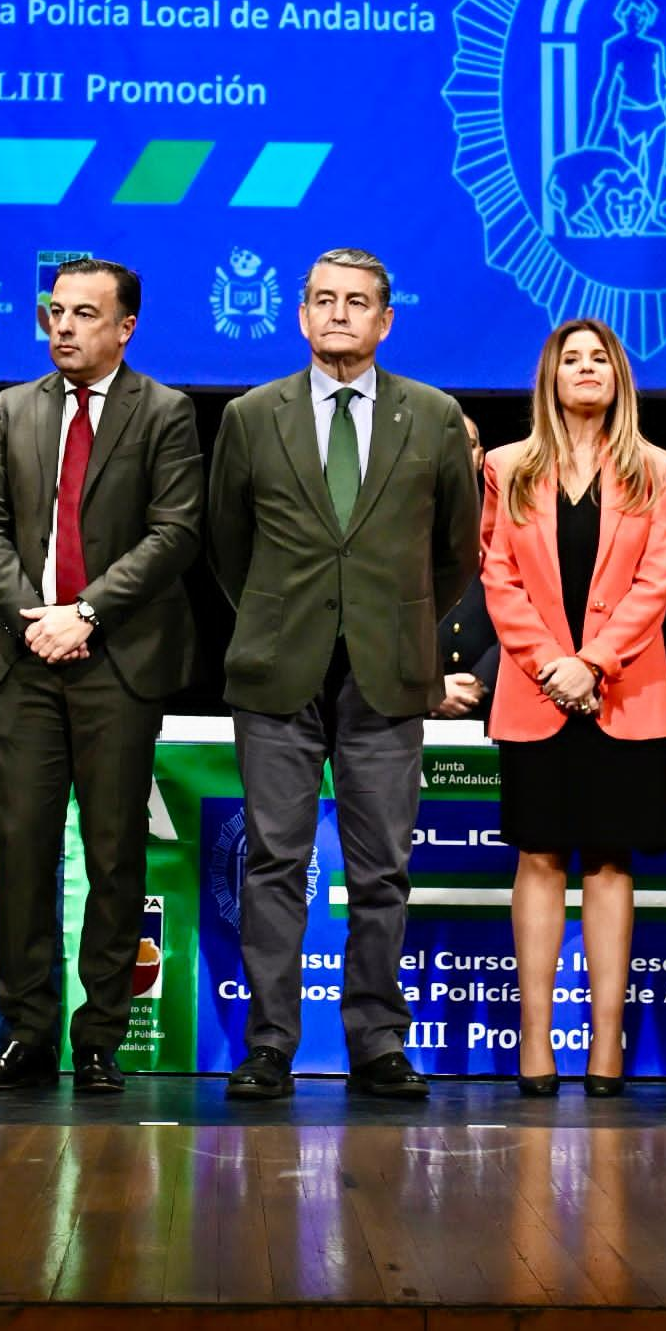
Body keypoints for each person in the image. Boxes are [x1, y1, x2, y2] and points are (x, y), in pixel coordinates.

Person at [206, 247, 476, 1102]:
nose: (338, 315)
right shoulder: (253, 415)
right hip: (278, 667)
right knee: (275, 863)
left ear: (385, 320)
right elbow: (226, 542)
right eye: (323, 300)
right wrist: (283, 614)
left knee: (380, 868)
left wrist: (396, 625)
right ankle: (270, 1047)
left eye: (356, 303)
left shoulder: (432, 417)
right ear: (300, 314)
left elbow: (457, 554)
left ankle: (377, 1043)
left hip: (388, 671)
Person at [0, 258, 203, 1097]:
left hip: (120, 662)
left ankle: (97, 1037)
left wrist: (86, 614)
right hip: (26, 661)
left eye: (83, 314)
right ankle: (26, 1035)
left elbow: (174, 533)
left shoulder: (165, 412)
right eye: (54, 312)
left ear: (124, 327)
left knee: (113, 855)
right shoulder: (12, 408)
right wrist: (35, 616)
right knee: (22, 851)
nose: (63, 327)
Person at [482, 318, 666, 1097]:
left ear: (619, 378)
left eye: (601, 359)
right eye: (574, 359)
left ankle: (605, 1049)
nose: (588, 369)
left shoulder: (656, 470)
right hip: (537, 694)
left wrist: (592, 663)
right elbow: (497, 576)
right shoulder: (507, 467)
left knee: (609, 857)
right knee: (539, 854)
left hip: (623, 693)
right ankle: (536, 1046)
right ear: (551, 377)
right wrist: (550, 665)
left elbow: (655, 581)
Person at [433, 415, 500, 720]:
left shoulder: (511, 522)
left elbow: (536, 612)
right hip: (409, 709)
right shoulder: (394, 525)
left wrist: (483, 680)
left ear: (481, 457)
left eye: (467, 444)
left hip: (497, 703)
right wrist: (426, 689)